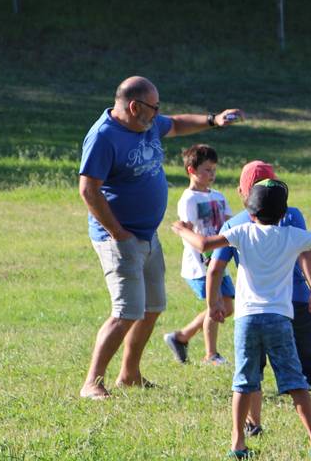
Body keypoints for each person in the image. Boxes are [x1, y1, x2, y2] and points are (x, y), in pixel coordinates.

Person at [78, 75, 242, 399]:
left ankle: (130, 374)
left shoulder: (148, 123)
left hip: (147, 236)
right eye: (154, 108)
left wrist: (213, 120)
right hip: (119, 239)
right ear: (134, 106)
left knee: (152, 307)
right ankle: (92, 382)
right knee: (126, 310)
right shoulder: (104, 137)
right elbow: (88, 190)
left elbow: (178, 124)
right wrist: (118, 232)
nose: (159, 114)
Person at [171, 178, 311, 459]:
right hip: (279, 319)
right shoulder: (291, 234)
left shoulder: (241, 230)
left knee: (243, 382)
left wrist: (182, 230)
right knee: (295, 382)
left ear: (251, 211)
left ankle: (238, 443)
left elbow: (205, 244)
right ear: (283, 214)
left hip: (246, 321)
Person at [210, 160, 311, 436]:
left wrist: (213, 301)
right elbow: (307, 251)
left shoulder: (235, 224)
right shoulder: (291, 215)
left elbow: (216, 265)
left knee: (251, 369)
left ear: (243, 192)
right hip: (296, 302)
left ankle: (252, 426)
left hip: (252, 310)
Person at [163, 144, 234, 366]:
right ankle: (211, 354)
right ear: (191, 170)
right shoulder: (188, 199)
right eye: (206, 170)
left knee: (228, 306)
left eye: (214, 170)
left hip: (220, 262)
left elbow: (229, 224)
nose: (211, 174)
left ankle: (181, 337)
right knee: (215, 306)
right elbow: (188, 232)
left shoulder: (219, 196)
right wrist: (205, 257)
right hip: (200, 265)